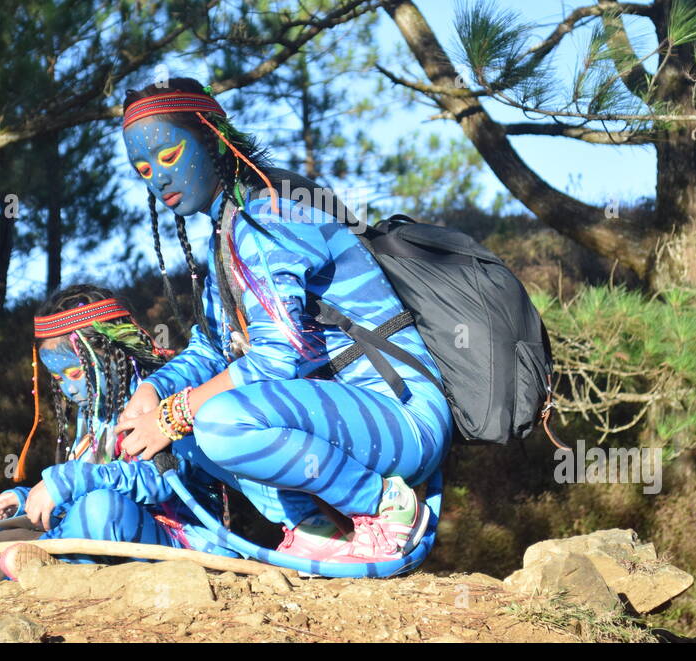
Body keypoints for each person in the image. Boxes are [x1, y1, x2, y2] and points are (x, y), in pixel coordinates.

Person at [114, 78, 451, 566]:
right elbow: (210, 350)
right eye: (143, 169)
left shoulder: (266, 216)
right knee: (182, 436)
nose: (158, 179)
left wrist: (173, 414)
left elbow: (278, 357)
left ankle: (386, 506)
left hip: (402, 417)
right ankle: (316, 528)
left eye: (169, 156)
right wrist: (154, 393)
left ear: (213, 139)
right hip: (344, 416)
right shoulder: (228, 230)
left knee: (218, 420)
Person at [0, 284, 235, 580]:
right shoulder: (91, 413)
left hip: (166, 535)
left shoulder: (159, 394)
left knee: (101, 507)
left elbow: (161, 485)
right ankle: (34, 560)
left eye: (76, 373)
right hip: (86, 530)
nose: (69, 388)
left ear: (113, 354)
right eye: (58, 378)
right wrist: (24, 500)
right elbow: (73, 491)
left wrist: (72, 479)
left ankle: (21, 564)